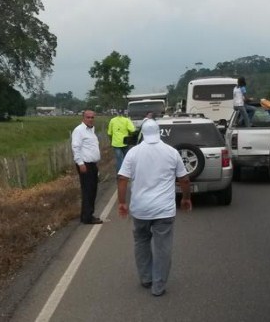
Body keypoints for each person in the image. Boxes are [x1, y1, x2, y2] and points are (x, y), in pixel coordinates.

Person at [117, 119, 192, 296]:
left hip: (140, 210)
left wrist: (122, 202)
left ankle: (146, 278)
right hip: (164, 210)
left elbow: (122, 178)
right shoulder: (171, 152)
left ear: (142, 133)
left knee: (141, 242)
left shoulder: (133, 153)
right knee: (162, 248)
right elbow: (184, 179)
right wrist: (186, 198)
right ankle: (158, 286)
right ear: (159, 132)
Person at [71, 110, 103, 224]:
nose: (90, 119)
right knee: (88, 190)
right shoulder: (79, 131)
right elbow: (76, 147)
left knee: (93, 190)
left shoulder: (91, 130)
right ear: (83, 118)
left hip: (92, 164)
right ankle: (87, 217)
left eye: (92, 117)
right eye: (88, 117)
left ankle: (89, 214)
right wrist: (80, 163)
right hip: (85, 165)